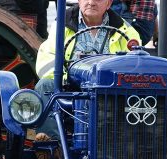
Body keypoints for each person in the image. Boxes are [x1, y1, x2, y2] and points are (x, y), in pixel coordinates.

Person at [35, 0, 141, 139]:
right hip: (70, 90)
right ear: (79, 1)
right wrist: (64, 79)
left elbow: (135, 66)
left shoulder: (127, 32)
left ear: (108, 4)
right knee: (45, 86)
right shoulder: (61, 25)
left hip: (110, 94)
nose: (91, 2)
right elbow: (47, 57)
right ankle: (52, 148)